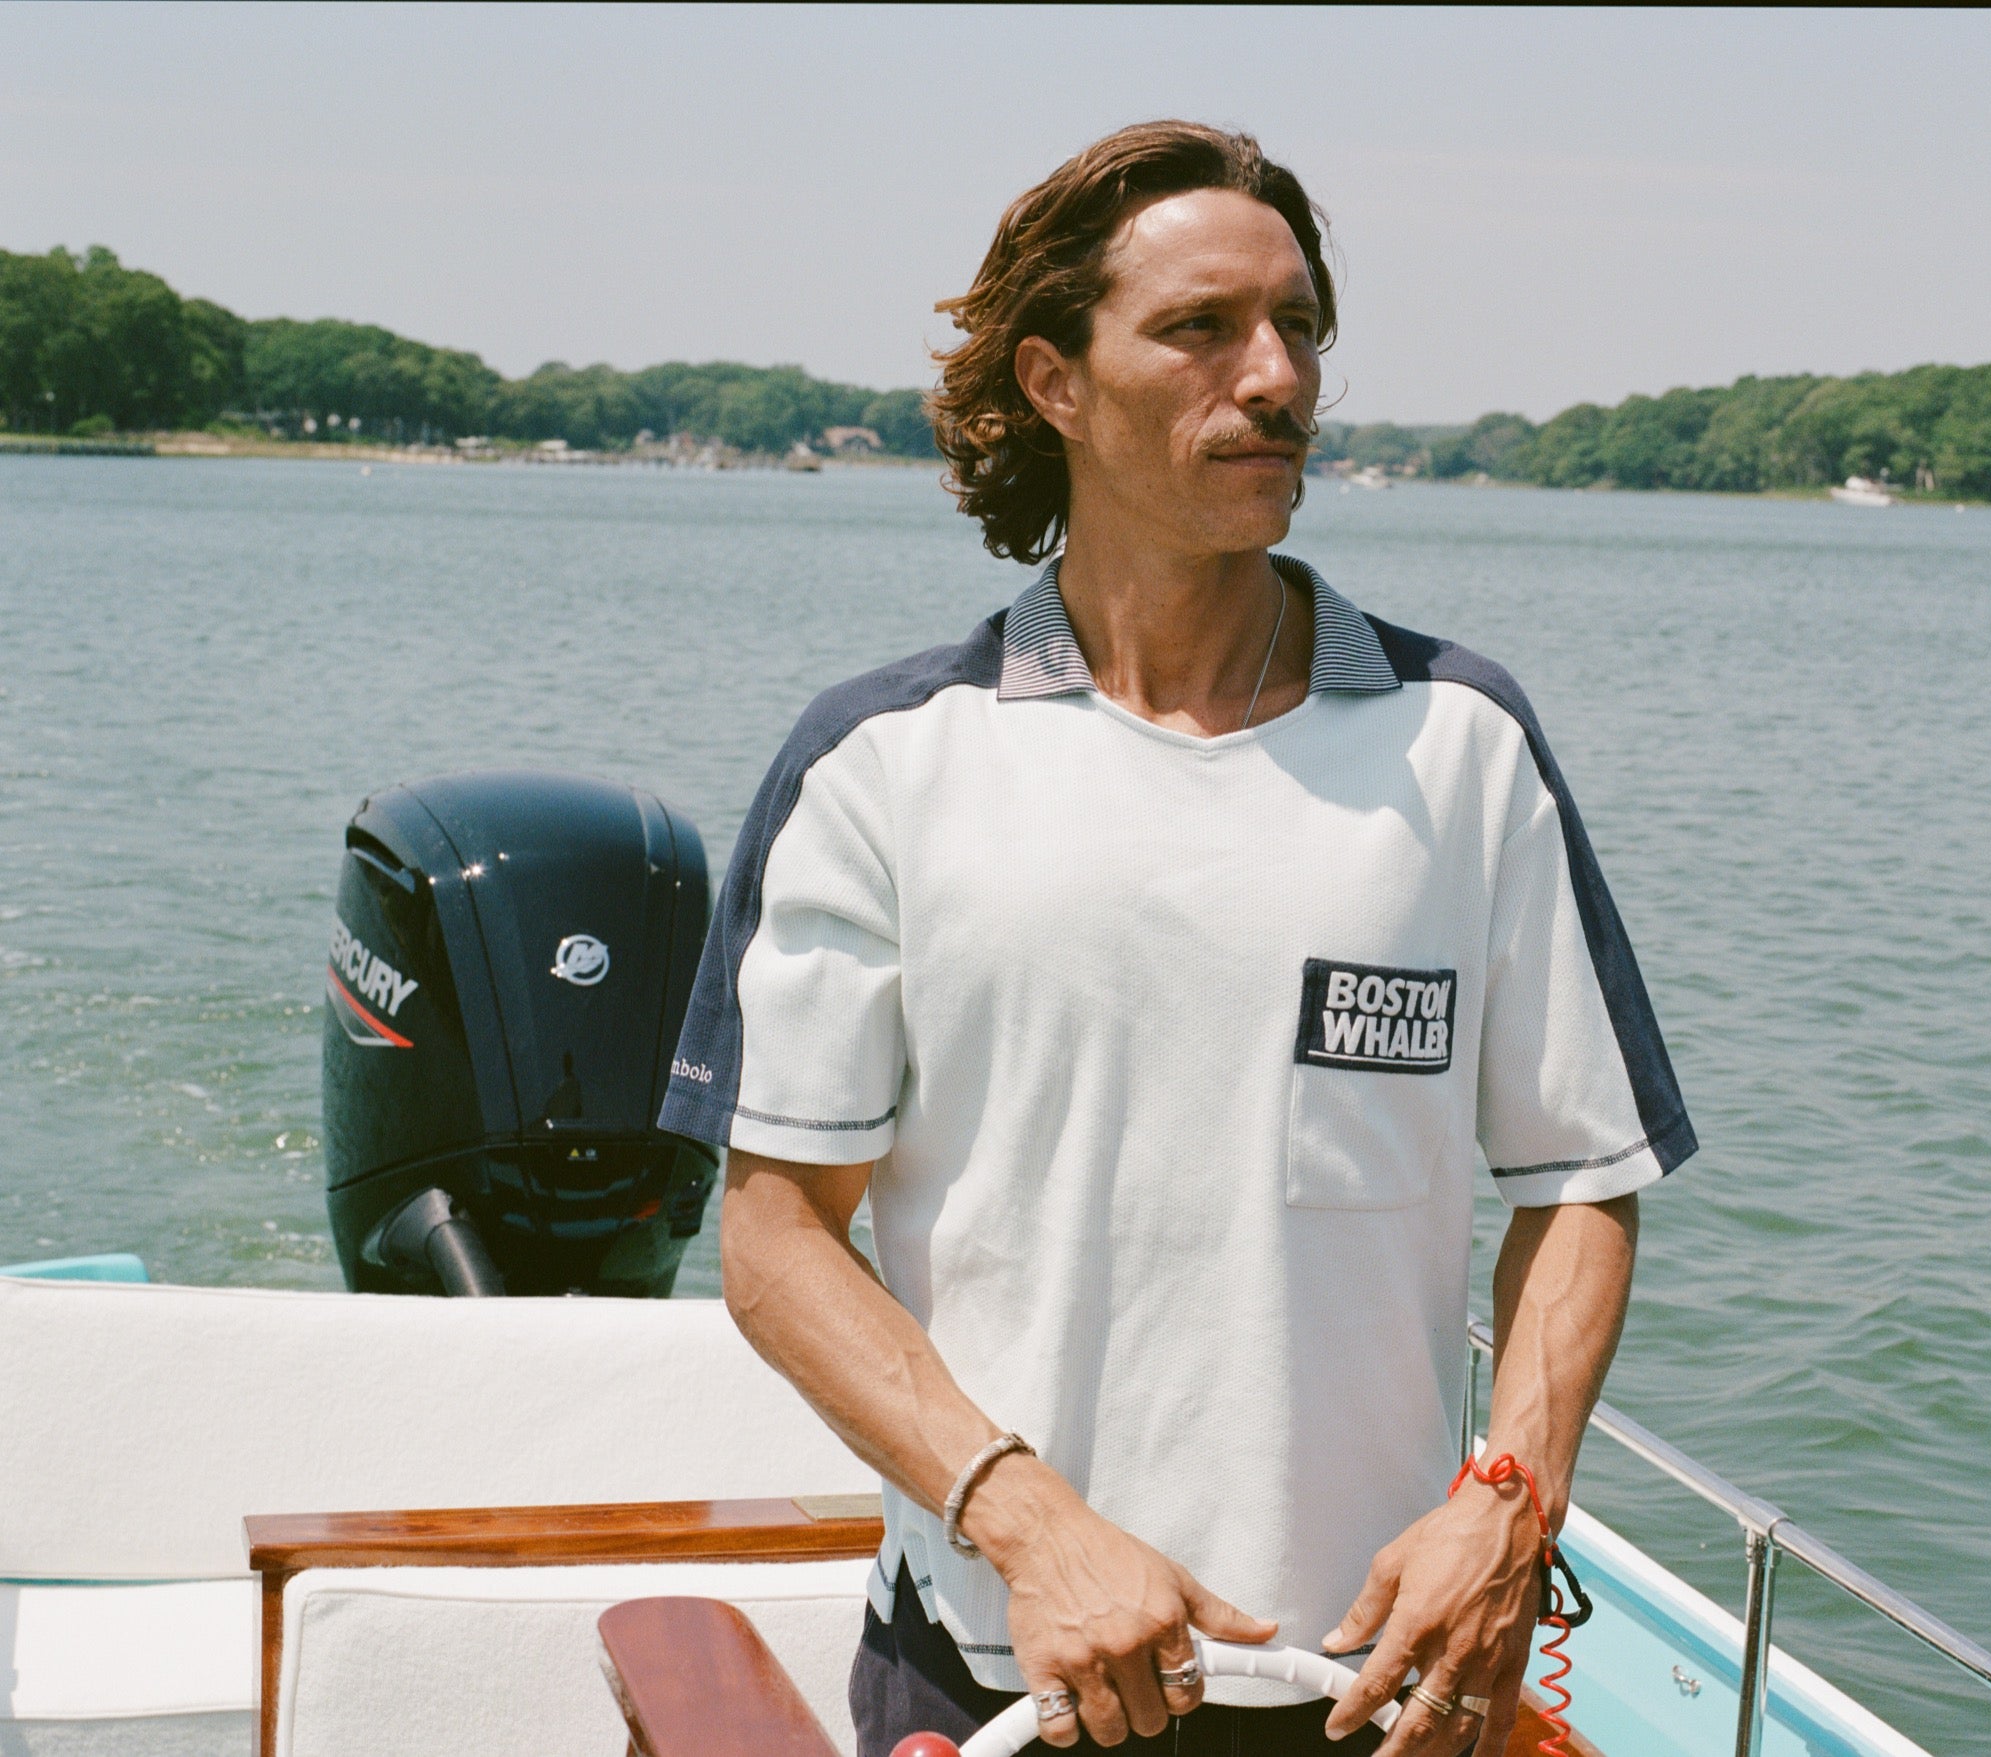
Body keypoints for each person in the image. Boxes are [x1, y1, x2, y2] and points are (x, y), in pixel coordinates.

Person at [661, 120, 1693, 1757]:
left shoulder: (1462, 743)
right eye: (1202, 328)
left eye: (1298, 329)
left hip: (1386, 1690)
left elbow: (1581, 1175)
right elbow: (777, 1236)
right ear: (1055, 380)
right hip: (1013, 1677)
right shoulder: (882, 762)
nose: (1275, 377)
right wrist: (1025, 1519)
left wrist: (1511, 1494)